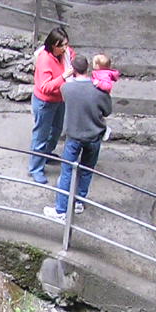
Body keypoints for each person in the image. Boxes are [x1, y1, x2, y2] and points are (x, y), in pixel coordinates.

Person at [43, 55, 112, 222]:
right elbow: (107, 111)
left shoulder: (66, 88)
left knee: (67, 171)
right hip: (94, 136)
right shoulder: (99, 89)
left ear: (73, 70)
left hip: (74, 136)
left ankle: (61, 210)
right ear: (88, 68)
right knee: (87, 169)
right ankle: (79, 201)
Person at [28, 26, 74, 184]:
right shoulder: (45, 60)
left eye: (66, 44)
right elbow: (45, 87)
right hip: (45, 102)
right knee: (41, 135)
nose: (66, 48)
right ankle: (35, 168)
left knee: (56, 130)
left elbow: (72, 56)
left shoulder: (64, 54)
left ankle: (46, 154)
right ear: (54, 45)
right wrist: (63, 77)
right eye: (62, 45)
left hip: (59, 99)